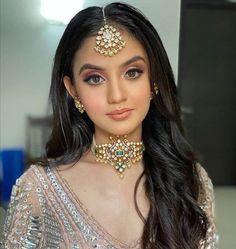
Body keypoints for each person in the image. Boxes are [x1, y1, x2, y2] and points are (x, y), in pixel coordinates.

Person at [1, 2, 218, 249]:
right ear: (73, 90)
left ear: (154, 79)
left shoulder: (191, 182)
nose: (116, 95)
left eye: (132, 72)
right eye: (95, 78)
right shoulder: (38, 189)